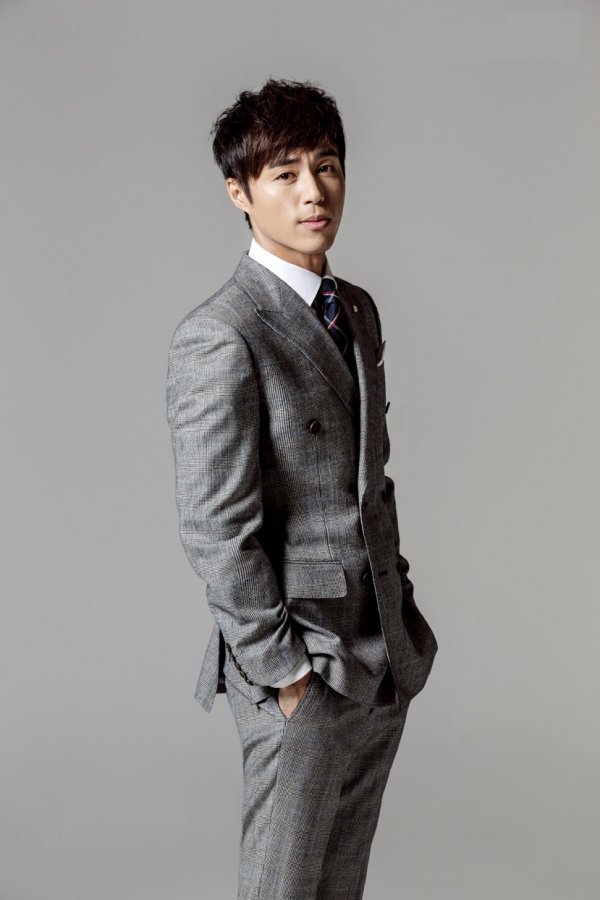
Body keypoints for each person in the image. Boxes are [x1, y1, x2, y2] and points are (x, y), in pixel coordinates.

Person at [166, 77, 438, 900]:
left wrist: (399, 610)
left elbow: (367, 478)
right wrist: (284, 672)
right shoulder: (221, 333)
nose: (313, 191)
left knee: (338, 884)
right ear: (239, 192)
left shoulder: (354, 309)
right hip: (301, 660)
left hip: (380, 648)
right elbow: (216, 528)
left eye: (327, 165)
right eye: (284, 173)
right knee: (283, 886)